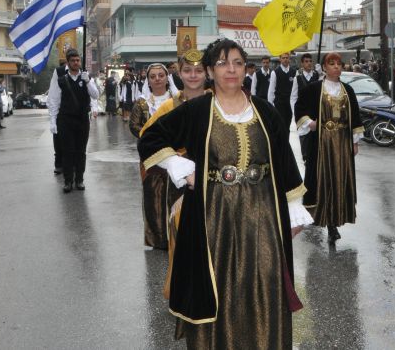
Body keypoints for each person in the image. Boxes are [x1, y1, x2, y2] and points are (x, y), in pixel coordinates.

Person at [138, 39, 312, 349]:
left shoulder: (265, 111)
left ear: (246, 68)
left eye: (237, 63)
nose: (231, 69)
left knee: (264, 284)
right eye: (221, 63)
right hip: (212, 217)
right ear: (209, 71)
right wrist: (180, 166)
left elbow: (284, 160)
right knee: (218, 285)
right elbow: (150, 138)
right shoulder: (196, 110)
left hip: (263, 216)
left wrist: (294, 207)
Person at [295, 52, 363, 243]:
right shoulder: (314, 89)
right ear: (324, 67)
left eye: (339, 64)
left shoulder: (348, 90)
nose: (336, 67)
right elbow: (300, 108)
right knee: (323, 180)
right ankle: (325, 220)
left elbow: (355, 116)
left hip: (341, 143)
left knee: (339, 180)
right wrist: (310, 123)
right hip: (322, 143)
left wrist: (355, 141)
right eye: (331, 64)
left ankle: (335, 220)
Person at [129, 63, 179, 249]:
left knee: (175, 194)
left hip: (175, 152)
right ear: (148, 80)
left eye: (160, 75)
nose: (157, 79)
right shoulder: (142, 103)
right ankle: (158, 239)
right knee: (153, 196)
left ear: (167, 78)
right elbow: (134, 125)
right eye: (153, 76)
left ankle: (176, 234)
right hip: (150, 155)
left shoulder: (177, 100)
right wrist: (150, 137)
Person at [47, 49, 99, 193]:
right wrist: (53, 120)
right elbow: (54, 99)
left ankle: (79, 180)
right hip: (66, 119)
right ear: (68, 63)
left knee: (81, 152)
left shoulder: (86, 76)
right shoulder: (61, 79)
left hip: (82, 120)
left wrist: (88, 81)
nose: (76, 63)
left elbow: (95, 95)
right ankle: (68, 181)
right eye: (73, 61)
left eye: (78, 60)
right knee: (68, 151)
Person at [268, 52, 295, 131]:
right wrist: (270, 105)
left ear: (289, 59)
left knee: (288, 124)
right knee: (280, 124)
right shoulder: (275, 72)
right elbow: (271, 90)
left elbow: (295, 90)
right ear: (280, 59)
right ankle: (281, 143)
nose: (285, 59)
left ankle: (287, 142)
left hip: (289, 103)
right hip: (279, 103)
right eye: (283, 58)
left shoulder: (294, 72)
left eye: (287, 58)